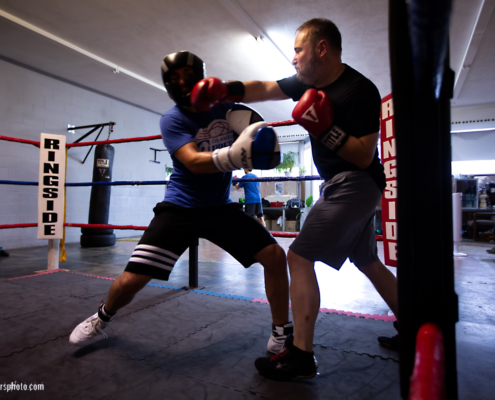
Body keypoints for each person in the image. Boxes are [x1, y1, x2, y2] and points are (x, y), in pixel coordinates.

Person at [191, 18, 399, 380]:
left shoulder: (359, 90)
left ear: (322, 49)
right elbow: (265, 88)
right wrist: (225, 89)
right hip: (342, 182)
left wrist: (324, 129)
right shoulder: (307, 81)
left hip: (357, 180)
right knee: (365, 259)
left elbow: (365, 155)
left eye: (299, 50)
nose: (294, 59)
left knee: (299, 256)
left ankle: (301, 354)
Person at [69, 51, 293, 355]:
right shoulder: (173, 119)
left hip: (218, 208)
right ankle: (102, 316)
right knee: (132, 279)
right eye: (174, 78)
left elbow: (268, 152)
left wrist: (262, 150)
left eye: (188, 74)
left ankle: (281, 334)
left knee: (275, 257)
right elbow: (193, 161)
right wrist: (234, 156)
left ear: (201, 75)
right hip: (180, 209)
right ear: (166, 84)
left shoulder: (229, 111)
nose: (183, 82)